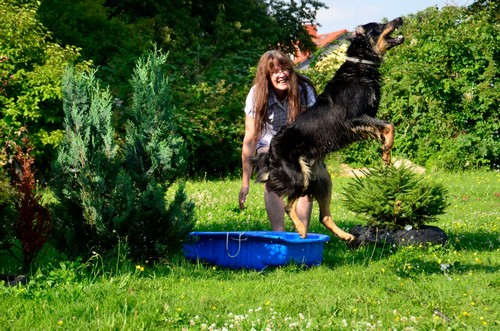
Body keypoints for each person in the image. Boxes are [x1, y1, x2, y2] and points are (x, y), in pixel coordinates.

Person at [239, 50, 318, 232]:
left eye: (284, 69)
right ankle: (278, 235)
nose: (281, 75)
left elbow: (313, 127)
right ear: (266, 75)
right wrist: (245, 183)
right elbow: (250, 139)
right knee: (272, 180)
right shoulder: (256, 94)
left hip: (300, 141)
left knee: (305, 183)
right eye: (275, 71)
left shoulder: (303, 89)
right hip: (269, 142)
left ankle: (301, 235)